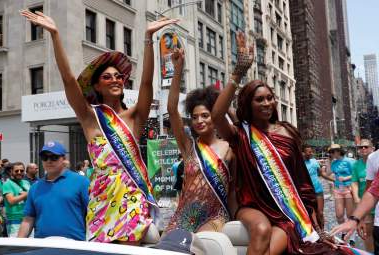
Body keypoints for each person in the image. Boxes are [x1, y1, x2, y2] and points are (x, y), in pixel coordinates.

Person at [20, 10, 178, 244]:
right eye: (107, 77)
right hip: (102, 197)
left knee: (127, 244)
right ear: (97, 85)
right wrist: (54, 35)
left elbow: (146, 82)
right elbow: (68, 80)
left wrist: (148, 38)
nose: (115, 79)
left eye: (118, 76)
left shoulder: (134, 116)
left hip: (130, 193)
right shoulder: (90, 117)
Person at [211, 32, 349, 255]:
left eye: (270, 97)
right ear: (248, 103)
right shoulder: (242, 134)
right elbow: (217, 115)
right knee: (262, 230)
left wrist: (313, 215)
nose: (267, 103)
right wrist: (239, 71)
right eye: (259, 99)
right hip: (254, 206)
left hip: (289, 212)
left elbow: (300, 179)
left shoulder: (287, 131)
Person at [165, 49, 235, 233]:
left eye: (205, 115)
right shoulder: (188, 147)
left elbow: (235, 189)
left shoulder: (229, 147)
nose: (199, 121)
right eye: (195, 117)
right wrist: (178, 70)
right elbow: (172, 109)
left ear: (215, 116)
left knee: (202, 243)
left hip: (215, 216)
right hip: (184, 215)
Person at [18, 141, 89, 240]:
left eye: (54, 157)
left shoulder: (81, 182)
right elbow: (28, 219)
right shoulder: (35, 187)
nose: (49, 161)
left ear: (64, 159)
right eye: (45, 157)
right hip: (42, 247)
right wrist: (18, 244)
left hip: (74, 246)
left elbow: (93, 215)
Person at [350, 139, 374, 251]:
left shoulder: (376, 161)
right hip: (366, 205)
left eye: (366, 147)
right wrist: (356, 198)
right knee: (367, 234)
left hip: (377, 203)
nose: (363, 149)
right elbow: (354, 183)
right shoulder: (356, 165)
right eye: (361, 147)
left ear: (372, 148)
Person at [2, 162, 30, 237]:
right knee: (16, 247)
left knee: (30, 247)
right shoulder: (7, 184)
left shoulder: (26, 182)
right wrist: (27, 194)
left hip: (28, 220)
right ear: (11, 171)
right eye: (16, 171)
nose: (19, 172)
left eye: (21, 170)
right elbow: (11, 201)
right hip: (14, 221)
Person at [303, 145, 325, 230]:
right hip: (307, 192)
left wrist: (333, 180)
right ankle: (317, 230)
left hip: (318, 189)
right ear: (303, 153)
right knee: (312, 213)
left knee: (320, 212)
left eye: (311, 151)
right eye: (309, 152)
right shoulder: (300, 164)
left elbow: (321, 174)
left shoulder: (314, 161)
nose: (311, 153)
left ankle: (323, 230)